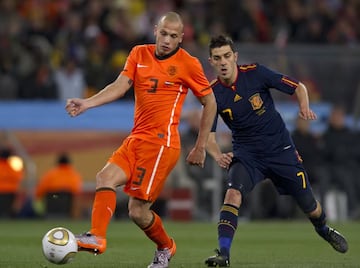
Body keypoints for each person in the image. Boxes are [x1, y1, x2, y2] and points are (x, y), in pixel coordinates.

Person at [65, 12, 216, 268]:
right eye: (164, 33)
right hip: (136, 138)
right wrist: (87, 103)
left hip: (161, 144)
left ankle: (166, 247)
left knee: (137, 211)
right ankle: (97, 237)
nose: (167, 40)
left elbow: (209, 101)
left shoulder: (188, 64)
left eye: (173, 36)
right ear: (155, 30)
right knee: (104, 178)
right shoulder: (138, 53)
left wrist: (201, 145)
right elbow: (120, 86)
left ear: (181, 39)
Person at [204, 34, 348, 267]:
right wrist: (217, 154)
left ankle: (323, 229)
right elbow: (208, 136)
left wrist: (304, 106)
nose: (223, 62)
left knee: (310, 206)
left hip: (280, 150)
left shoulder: (255, 73)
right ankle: (224, 254)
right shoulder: (211, 94)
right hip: (247, 155)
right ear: (211, 61)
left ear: (235, 57)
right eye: (217, 58)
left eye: (227, 56)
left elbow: (298, 87)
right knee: (232, 195)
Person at [34, 153, 83, 218]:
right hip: (66, 212)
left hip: (49, 211)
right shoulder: (74, 176)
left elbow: (38, 193)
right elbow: (77, 193)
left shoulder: (50, 175)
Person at [0, 146, 24, 218]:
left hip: (6, 192)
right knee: (7, 210)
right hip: (10, 192)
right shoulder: (12, 167)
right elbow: (19, 177)